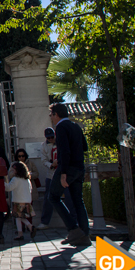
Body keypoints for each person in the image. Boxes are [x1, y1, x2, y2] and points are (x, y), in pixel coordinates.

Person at [48, 103, 91, 247]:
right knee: (78, 200)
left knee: (53, 196)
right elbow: (84, 147)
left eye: (51, 114)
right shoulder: (76, 126)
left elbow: (64, 151)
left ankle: (73, 229)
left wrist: (63, 173)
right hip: (80, 167)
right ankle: (84, 235)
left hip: (67, 167)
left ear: (56, 114)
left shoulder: (60, 128)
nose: (51, 118)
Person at [38, 127, 75, 229]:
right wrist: (51, 164)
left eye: (52, 137)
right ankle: (45, 222)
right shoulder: (44, 146)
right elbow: (43, 160)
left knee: (69, 197)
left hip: (64, 173)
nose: (51, 139)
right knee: (48, 198)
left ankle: (73, 221)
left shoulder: (61, 141)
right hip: (52, 174)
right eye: (48, 137)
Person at [5, 162, 37, 241]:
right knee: (20, 217)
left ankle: (27, 229)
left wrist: (3, 183)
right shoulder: (27, 179)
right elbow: (30, 189)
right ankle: (23, 231)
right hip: (26, 200)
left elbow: (9, 188)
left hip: (18, 200)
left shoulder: (15, 179)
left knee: (18, 217)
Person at [12, 148, 39, 229]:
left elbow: (36, 173)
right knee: (19, 214)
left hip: (28, 192)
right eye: (19, 156)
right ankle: (23, 229)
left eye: (23, 156)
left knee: (28, 211)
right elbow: (10, 174)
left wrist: (28, 175)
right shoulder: (14, 165)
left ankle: (29, 227)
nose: (21, 158)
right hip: (18, 193)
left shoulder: (30, 163)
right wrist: (19, 175)